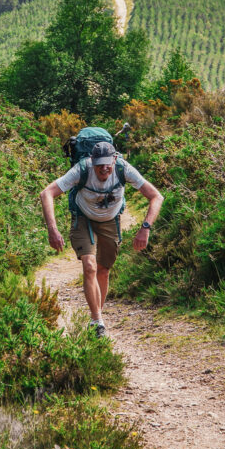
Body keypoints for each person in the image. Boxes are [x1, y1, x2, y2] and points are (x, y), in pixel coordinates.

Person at [40, 141, 163, 337]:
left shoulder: (124, 169)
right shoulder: (82, 169)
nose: (104, 168)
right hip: (83, 218)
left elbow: (156, 196)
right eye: (99, 164)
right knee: (90, 265)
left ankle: (97, 318)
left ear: (115, 159)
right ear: (92, 160)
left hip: (110, 220)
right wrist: (52, 230)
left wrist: (145, 228)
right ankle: (98, 321)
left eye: (108, 163)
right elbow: (47, 193)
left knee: (104, 270)